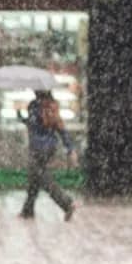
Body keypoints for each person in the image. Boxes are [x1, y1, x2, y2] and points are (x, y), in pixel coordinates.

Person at [19, 90, 78, 220]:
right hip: (50, 148)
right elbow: (61, 129)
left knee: (42, 178)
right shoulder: (53, 106)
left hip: (37, 147)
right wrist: (70, 148)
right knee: (34, 176)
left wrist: (21, 115)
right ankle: (28, 210)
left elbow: (32, 124)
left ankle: (66, 203)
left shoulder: (34, 106)